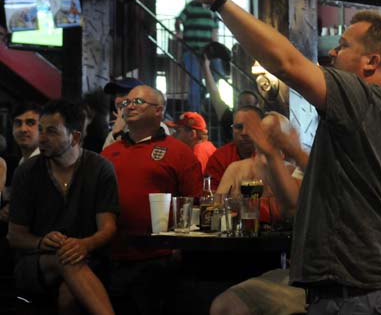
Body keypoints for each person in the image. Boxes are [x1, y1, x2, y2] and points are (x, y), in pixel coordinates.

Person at [179, 0, 381, 315]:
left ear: (372, 62)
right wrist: (284, 153)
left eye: (345, 45)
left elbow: (286, 62)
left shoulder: (364, 98)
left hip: (357, 295)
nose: (333, 52)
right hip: (370, 290)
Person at [7, 99, 119, 314]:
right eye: (40, 130)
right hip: (35, 261)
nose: (42, 138)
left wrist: (84, 244)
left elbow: (108, 227)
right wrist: (41, 241)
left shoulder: (99, 168)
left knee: (69, 295)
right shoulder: (27, 172)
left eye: (52, 131)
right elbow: (15, 236)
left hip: (88, 257)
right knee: (64, 257)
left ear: (75, 137)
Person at [101, 84, 202, 315]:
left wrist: (179, 247)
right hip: (113, 256)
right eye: (126, 103)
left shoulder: (179, 152)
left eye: (138, 102)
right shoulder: (109, 152)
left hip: (159, 259)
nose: (129, 106)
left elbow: (195, 200)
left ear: (159, 111)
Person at [210, 112, 307, 315]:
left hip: (292, 261)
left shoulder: (292, 171)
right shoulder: (236, 168)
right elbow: (216, 210)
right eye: (261, 133)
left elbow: (289, 209)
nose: (260, 138)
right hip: (239, 252)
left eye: (272, 134)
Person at [0, 102, 42, 225]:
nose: (23, 129)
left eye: (30, 123)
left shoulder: (50, 163)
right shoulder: (21, 163)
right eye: (18, 123)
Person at [175, 0, 219, 112]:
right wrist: (179, 32)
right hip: (192, 50)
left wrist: (216, 48)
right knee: (195, 81)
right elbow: (178, 20)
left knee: (218, 75)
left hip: (207, 51)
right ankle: (195, 111)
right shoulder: (191, 6)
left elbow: (214, 31)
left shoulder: (212, 9)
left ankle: (203, 97)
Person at [205, 105, 263, 191]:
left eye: (251, 126)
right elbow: (212, 197)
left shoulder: (272, 158)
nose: (244, 133)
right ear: (232, 130)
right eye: (239, 127)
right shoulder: (219, 158)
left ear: (262, 128)